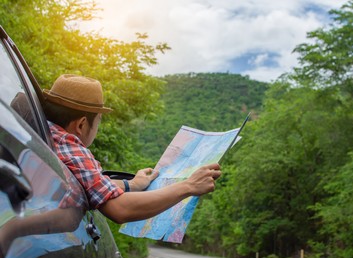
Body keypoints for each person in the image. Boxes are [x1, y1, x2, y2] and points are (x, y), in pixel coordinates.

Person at [41, 74, 221, 224]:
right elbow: (119, 209)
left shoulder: (48, 136)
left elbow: (93, 184)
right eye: (98, 121)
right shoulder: (71, 149)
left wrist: (132, 184)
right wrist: (189, 186)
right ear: (81, 124)